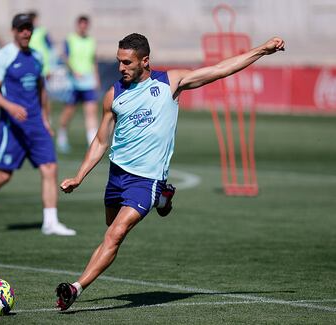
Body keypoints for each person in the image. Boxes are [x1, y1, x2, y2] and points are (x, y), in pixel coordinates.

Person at [54, 33, 285, 310]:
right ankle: (164, 198)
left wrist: (262, 50)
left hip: (146, 178)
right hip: (117, 174)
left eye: (127, 62)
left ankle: (75, 288)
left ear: (145, 61)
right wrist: (80, 176)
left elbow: (220, 69)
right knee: (110, 227)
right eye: (118, 61)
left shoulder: (170, 83)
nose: (120, 68)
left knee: (115, 235)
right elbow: (102, 140)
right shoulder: (113, 95)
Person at [0, 13, 76, 236]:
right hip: (12, 125)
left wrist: (46, 118)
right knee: (3, 175)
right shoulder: (3, 56)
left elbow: (41, 89)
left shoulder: (36, 56)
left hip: (36, 123)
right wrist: (11, 107)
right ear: (14, 31)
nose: (26, 32)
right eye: (22, 28)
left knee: (50, 168)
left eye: (29, 28)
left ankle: (50, 221)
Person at [56, 15, 100, 153]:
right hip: (73, 83)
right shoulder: (70, 39)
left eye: (85, 24)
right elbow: (65, 57)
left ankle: (92, 142)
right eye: (81, 24)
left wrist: (96, 77)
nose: (83, 27)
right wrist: (73, 71)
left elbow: (93, 60)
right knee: (69, 112)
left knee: (91, 112)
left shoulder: (91, 41)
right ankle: (62, 136)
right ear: (77, 25)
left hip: (88, 82)